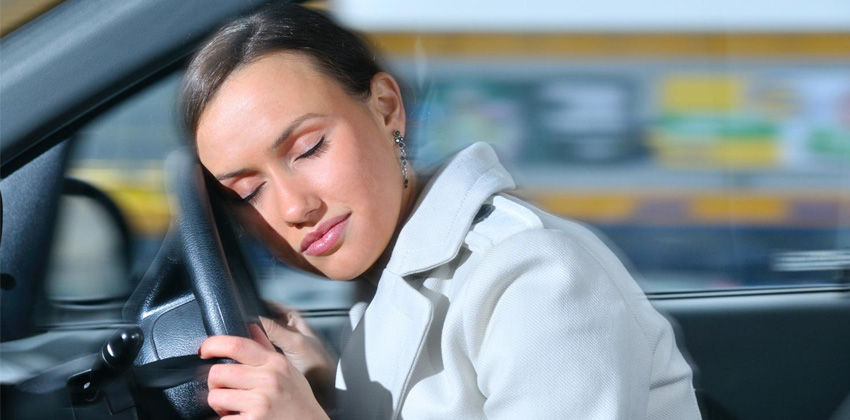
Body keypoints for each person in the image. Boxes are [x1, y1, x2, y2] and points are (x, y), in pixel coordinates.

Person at [182, 3, 701, 419]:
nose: (294, 207)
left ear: (386, 107)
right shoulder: (394, 276)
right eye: (249, 192)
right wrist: (326, 388)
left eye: (310, 148)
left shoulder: (535, 277)